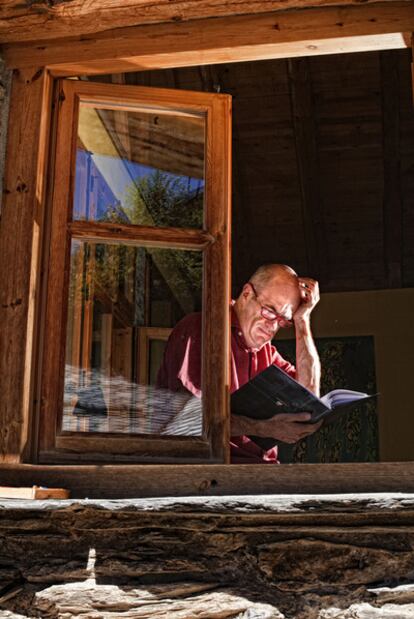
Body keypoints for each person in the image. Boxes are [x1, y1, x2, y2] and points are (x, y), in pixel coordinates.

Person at [157, 264, 322, 463]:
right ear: (246, 294)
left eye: (282, 321)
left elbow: (309, 398)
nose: (272, 327)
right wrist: (262, 428)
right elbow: (190, 420)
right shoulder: (202, 329)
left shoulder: (267, 352)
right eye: (269, 311)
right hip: (209, 469)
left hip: (259, 474)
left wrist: (302, 320)